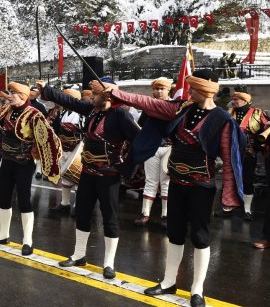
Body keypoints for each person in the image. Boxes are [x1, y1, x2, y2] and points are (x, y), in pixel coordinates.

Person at [108, 70, 244, 307]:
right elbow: (150, 103)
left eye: (192, 87)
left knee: (200, 236)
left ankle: (197, 289)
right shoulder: (182, 108)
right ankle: (169, 281)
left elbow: (231, 160)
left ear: (204, 90)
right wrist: (118, 93)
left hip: (201, 185)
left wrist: (229, 194)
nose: (188, 90)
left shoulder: (223, 119)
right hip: (177, 182)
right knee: (175, 232)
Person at [39, 78, 140, 279]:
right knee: (82, 213)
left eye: (95, 94)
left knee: (109, 217)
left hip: (109, 176)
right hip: (88, 172)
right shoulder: (93, 111)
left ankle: (109, 264)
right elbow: (70, 102)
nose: (91, 97)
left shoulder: (120, 114)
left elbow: (139, 140)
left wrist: (126, 167)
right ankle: (79, 255)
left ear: (108, 94)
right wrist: (47, 90)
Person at [0, 81, 62, 256]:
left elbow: (46, 139)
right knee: (2, 197)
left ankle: (27, 241)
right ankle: (3, 235)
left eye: (13, 94)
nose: (9, 96)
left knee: (24, 201)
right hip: (7, 160)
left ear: (23, 96)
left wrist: (40, 155)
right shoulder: (6, 110)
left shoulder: (34, 114)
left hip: (24, 163)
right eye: (9, 93)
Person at [218, 89, 269, 221]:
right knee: (229, 178)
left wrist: (260, 143)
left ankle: (247, 209)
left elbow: (266, 128)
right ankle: (228, 206)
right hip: (230, 151)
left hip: (248, 152)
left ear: (245, 100)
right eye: (233, 99)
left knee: (247, 179)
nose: (233, 101)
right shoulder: (228, 113)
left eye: (236, 99)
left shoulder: (258, 113)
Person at [134, 78, 172, 228]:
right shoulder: (149, 107)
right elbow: (141, 124)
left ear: (169, 90)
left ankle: (166, 215)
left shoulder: (174, 106)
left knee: (166, 182)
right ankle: (145, 213)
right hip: (152, 147)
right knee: (150, 180)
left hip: (169, 147)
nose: (159, 91)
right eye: (156, 89)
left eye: (162, 88)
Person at [48, 89, 84, 216]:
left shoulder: (81, 115)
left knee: (78, 178)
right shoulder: (63, 113)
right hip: (64, 148)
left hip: (76, 150)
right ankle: (65, 203)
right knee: (66, 176)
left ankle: (78, 206)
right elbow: (57, 129)